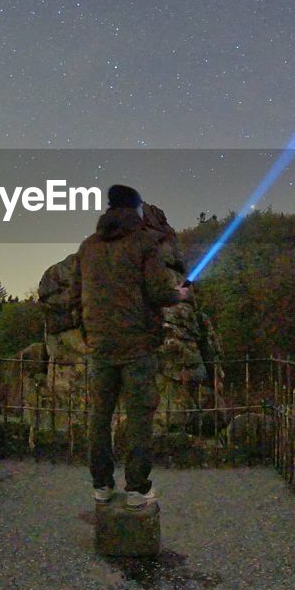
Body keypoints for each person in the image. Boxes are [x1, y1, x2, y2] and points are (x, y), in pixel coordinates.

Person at [71, 183, 189, 509]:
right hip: (137, 346)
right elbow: (158, 292)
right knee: (139, 417)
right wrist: (178, 294)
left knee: (99, 416)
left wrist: (89, 333)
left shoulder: (88, 247)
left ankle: (101, 486)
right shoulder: (145, 243)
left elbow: (73, 298)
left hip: (99, 346)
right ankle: (137, 489)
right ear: (135, 209)